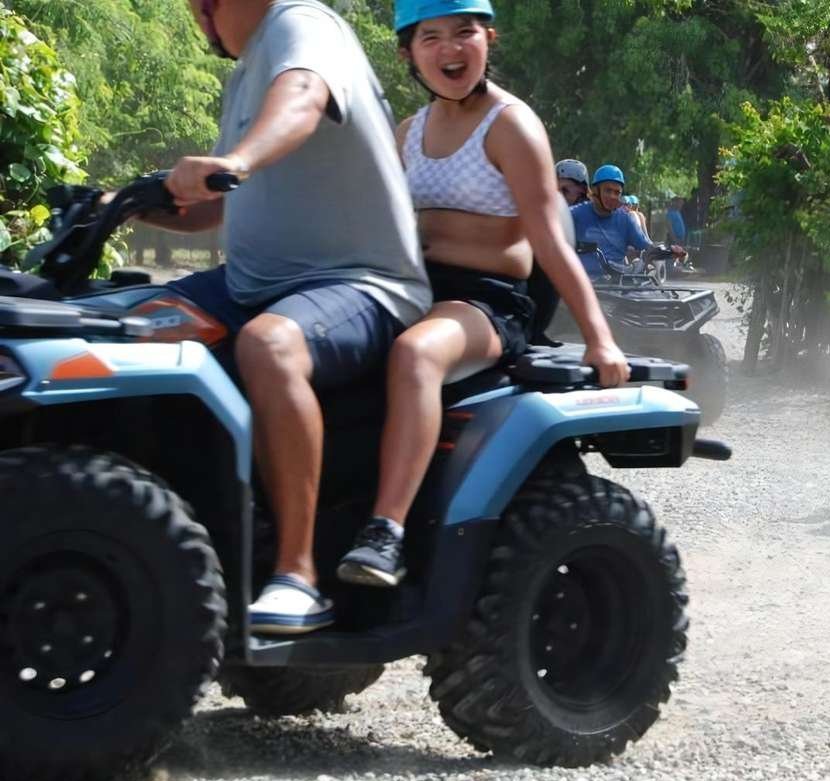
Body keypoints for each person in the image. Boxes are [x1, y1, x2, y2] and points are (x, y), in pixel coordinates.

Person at [134, 0, 430, 633]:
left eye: (204, 3)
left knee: (270, 346)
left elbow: (303, 97)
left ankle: (298, 575)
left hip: (361, 284)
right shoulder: (246, 74)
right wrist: (122, 203)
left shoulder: (301, 25)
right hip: (252, 283)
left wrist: (237, 161)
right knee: (131, 327)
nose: (197, 13)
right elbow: (211, 208)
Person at [336, 0, 630, 587]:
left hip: (486, 302)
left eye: (464, 32)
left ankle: (386, 532)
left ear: (488, 39)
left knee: (415, 356)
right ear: (408, 51)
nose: (450, 49)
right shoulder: (407, 134)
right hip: (409, 289)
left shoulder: (510, 126)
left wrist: (600, 338)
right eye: (431, 36)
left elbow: (550, 241)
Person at [571, 164, 684, 279]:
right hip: (580, 282)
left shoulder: (625, 219)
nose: (612, 196)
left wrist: (670, 252)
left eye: (616, 192)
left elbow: (647, 248)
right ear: (595, 190)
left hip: (616, 284)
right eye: (608, 190)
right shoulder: (575, 214)